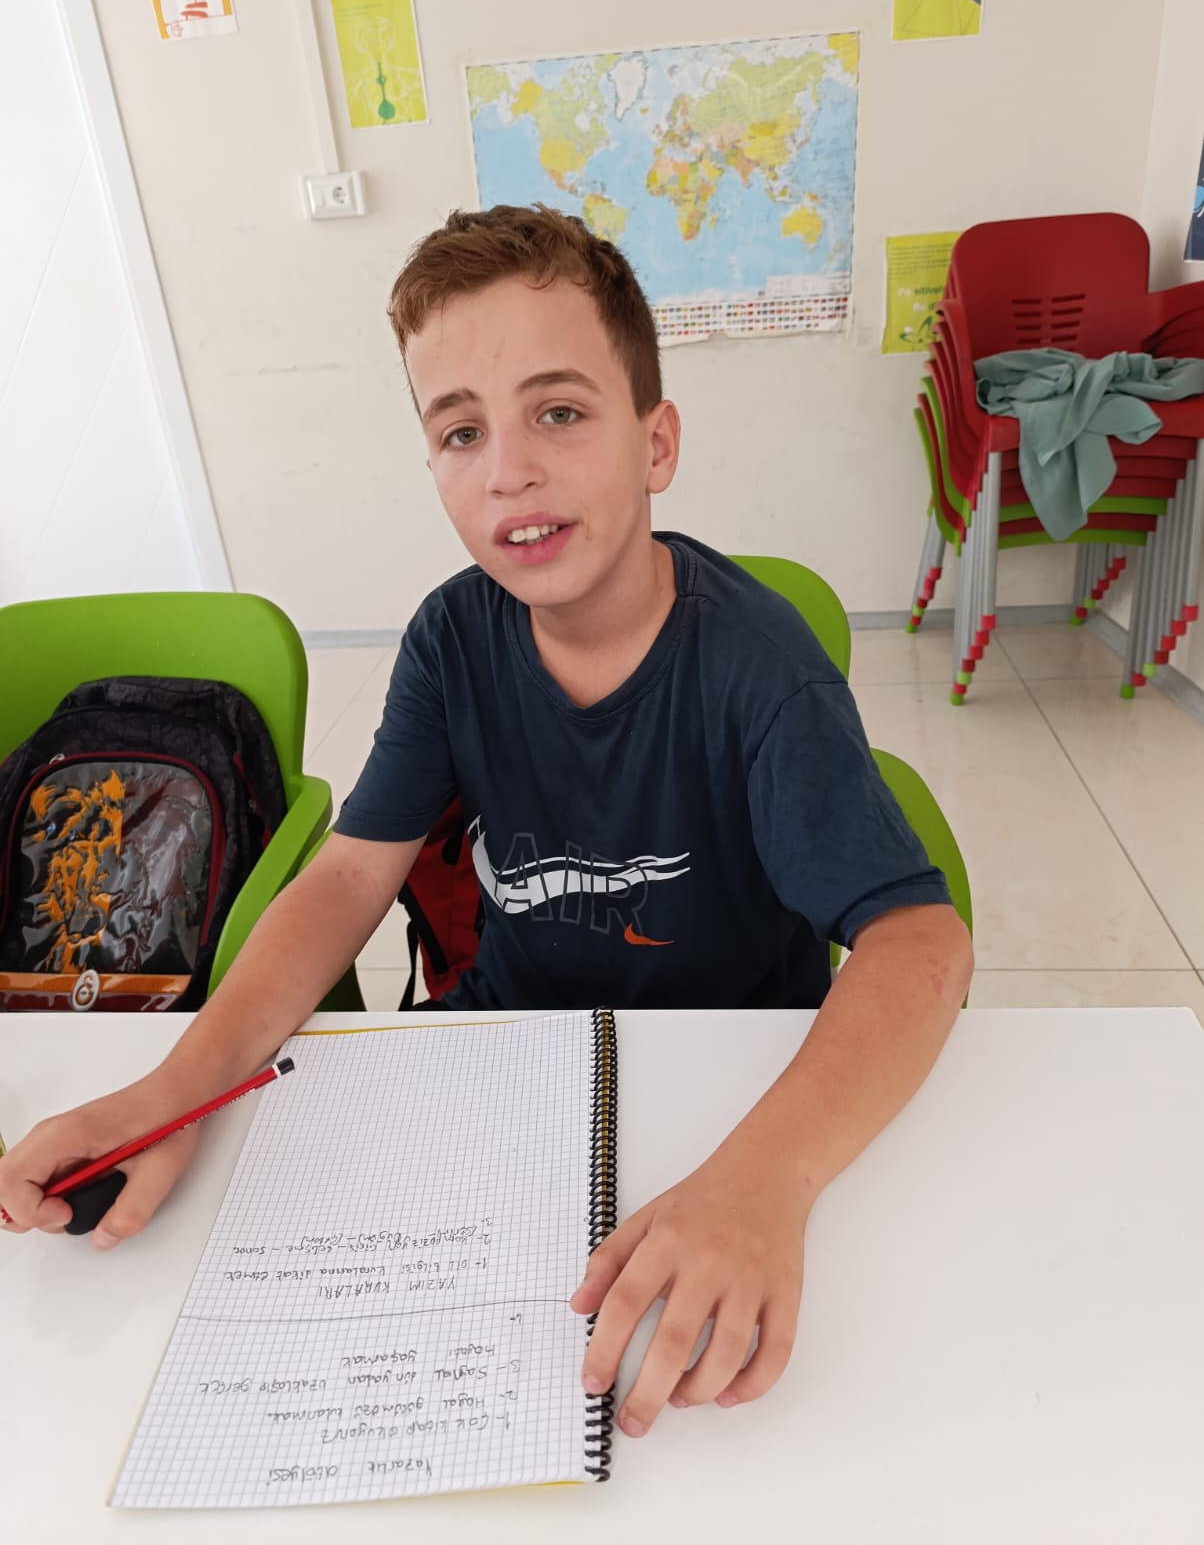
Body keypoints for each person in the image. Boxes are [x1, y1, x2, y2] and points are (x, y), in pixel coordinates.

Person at [0, 204, 973, 1443]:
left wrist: (763, 1183)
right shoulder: (450, 637)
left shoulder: (757, 668)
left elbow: (919, 940)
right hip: (502, 1067)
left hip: (728, 1077)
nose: (507, 468)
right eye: (460, 430)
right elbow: (346, 878)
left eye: (558, 412)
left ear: (656, 441)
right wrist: (176, 1087)